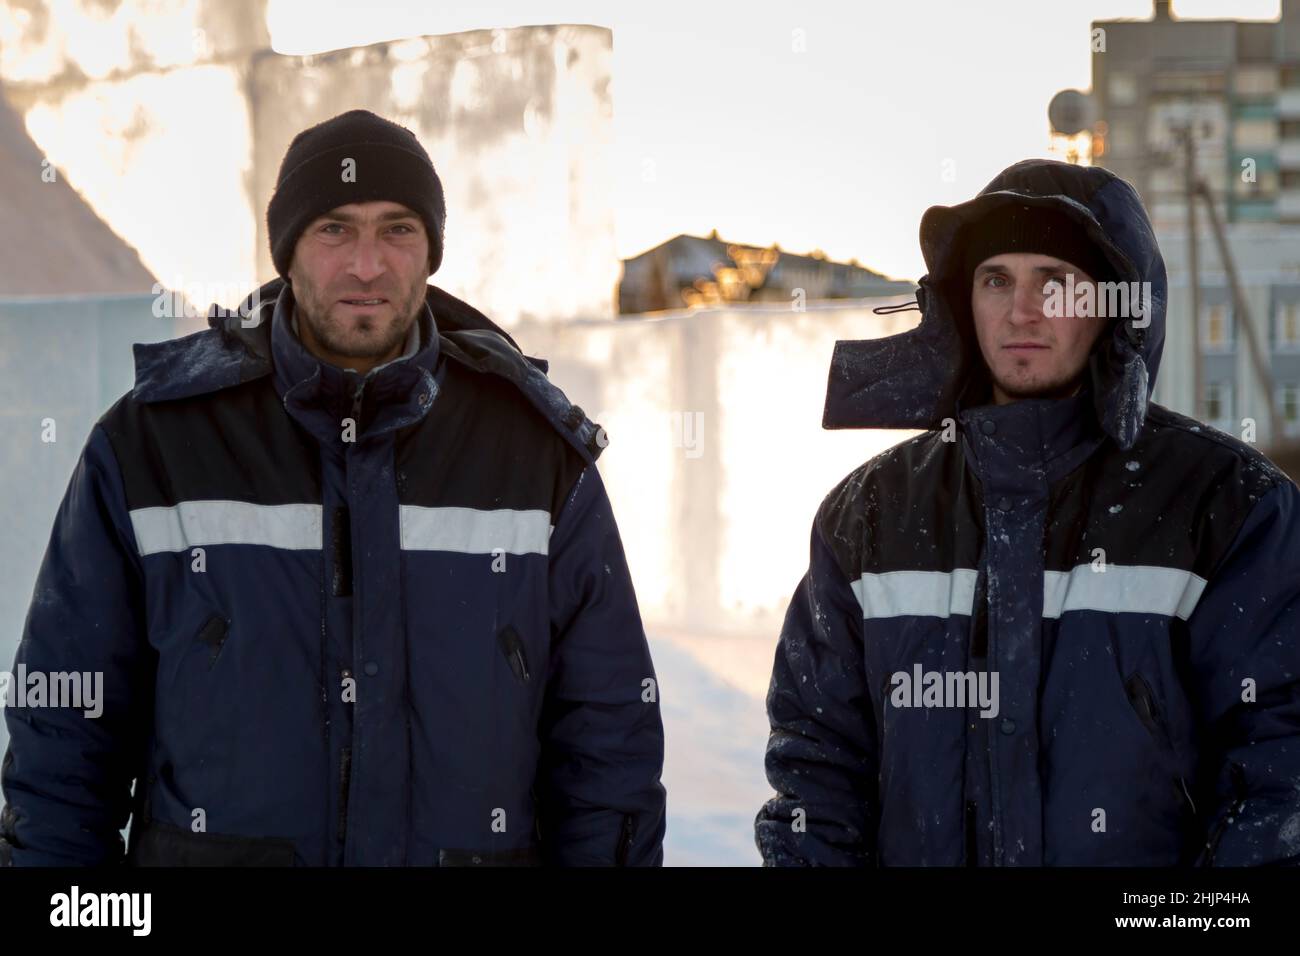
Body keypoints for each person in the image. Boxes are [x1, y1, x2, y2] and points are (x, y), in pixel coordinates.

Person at [1, 109, 665, 866]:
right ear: (288, 250)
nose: (367, 265)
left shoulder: (536, 458)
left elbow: (609, 749)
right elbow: (63, 741)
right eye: (335, 230)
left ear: (431, 251)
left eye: (398, 229)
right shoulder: (154, 445)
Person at [755, 157, 1300, 866]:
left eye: (1057, 282)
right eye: (996, 280)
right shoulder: (869, 517)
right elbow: (816, 766)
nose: (1022, 310)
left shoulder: (1226, 506)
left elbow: (1280, 764)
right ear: (962, 301)